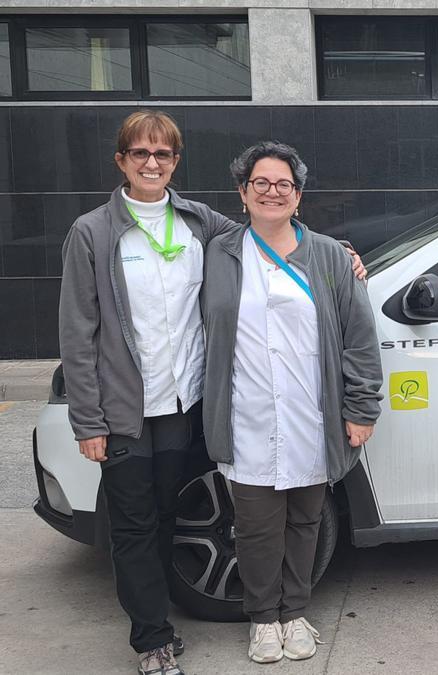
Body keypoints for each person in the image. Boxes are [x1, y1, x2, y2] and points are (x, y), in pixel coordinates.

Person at [58, 110, 244, 675]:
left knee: (167, 515)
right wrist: (87, 421)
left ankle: (156, 615)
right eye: (140, 153)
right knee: (133, 525)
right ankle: (151, 639)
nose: (151, 163)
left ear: (175, 162)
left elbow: (263, 232)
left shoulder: (197, 222)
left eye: (162, 154)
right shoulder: (92, 232)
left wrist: (337, 253)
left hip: (181, 405)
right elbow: (78, 332)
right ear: (121, 161)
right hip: (123, 413)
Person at [201, 141, 383, 664]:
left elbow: (359, 337)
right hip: (246, 413)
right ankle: (262, 619)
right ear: (243, 193)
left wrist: (361, 407)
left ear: (298, 196)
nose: (272, 192)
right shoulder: (221, 251)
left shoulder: (328, 255)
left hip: (311, 413)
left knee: (305, 519)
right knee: (255, 526)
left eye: (284, 184)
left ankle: (295, 612)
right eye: (261, 183)